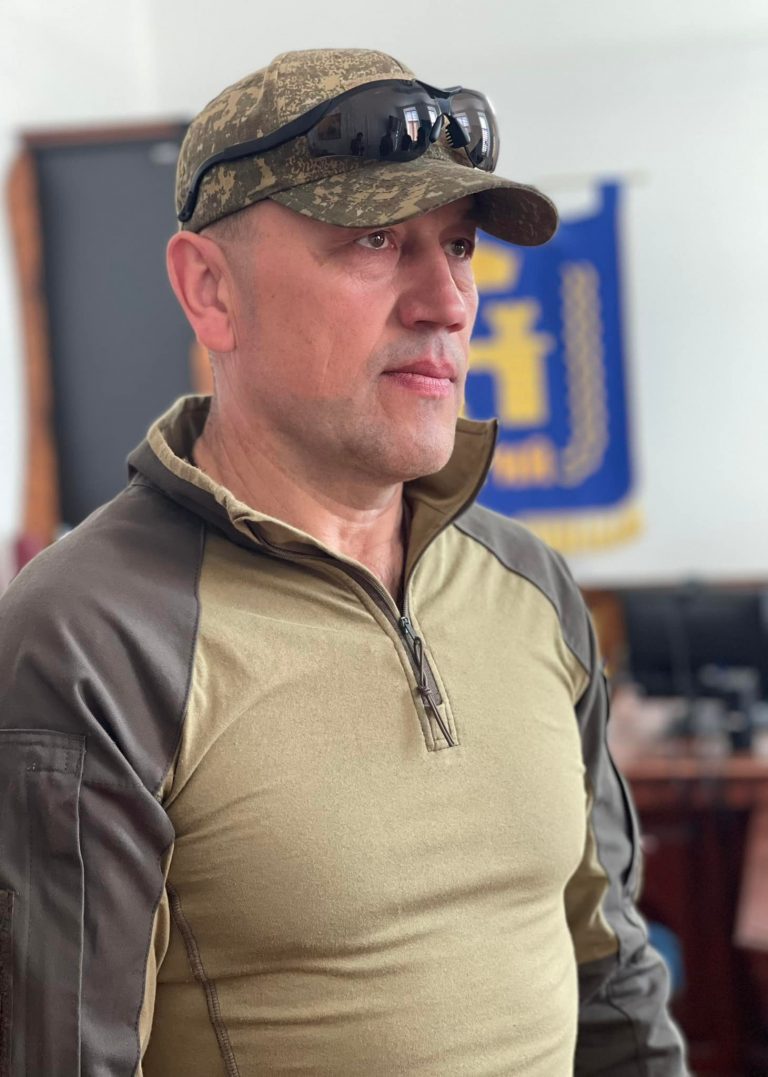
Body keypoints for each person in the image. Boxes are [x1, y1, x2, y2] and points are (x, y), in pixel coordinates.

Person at [0, 47, 687, 1076]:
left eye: (458, 246)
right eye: (375, 240)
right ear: (210, 290)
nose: (448, 303)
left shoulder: (529, 587)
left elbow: (613, 978)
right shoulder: (92, 636)